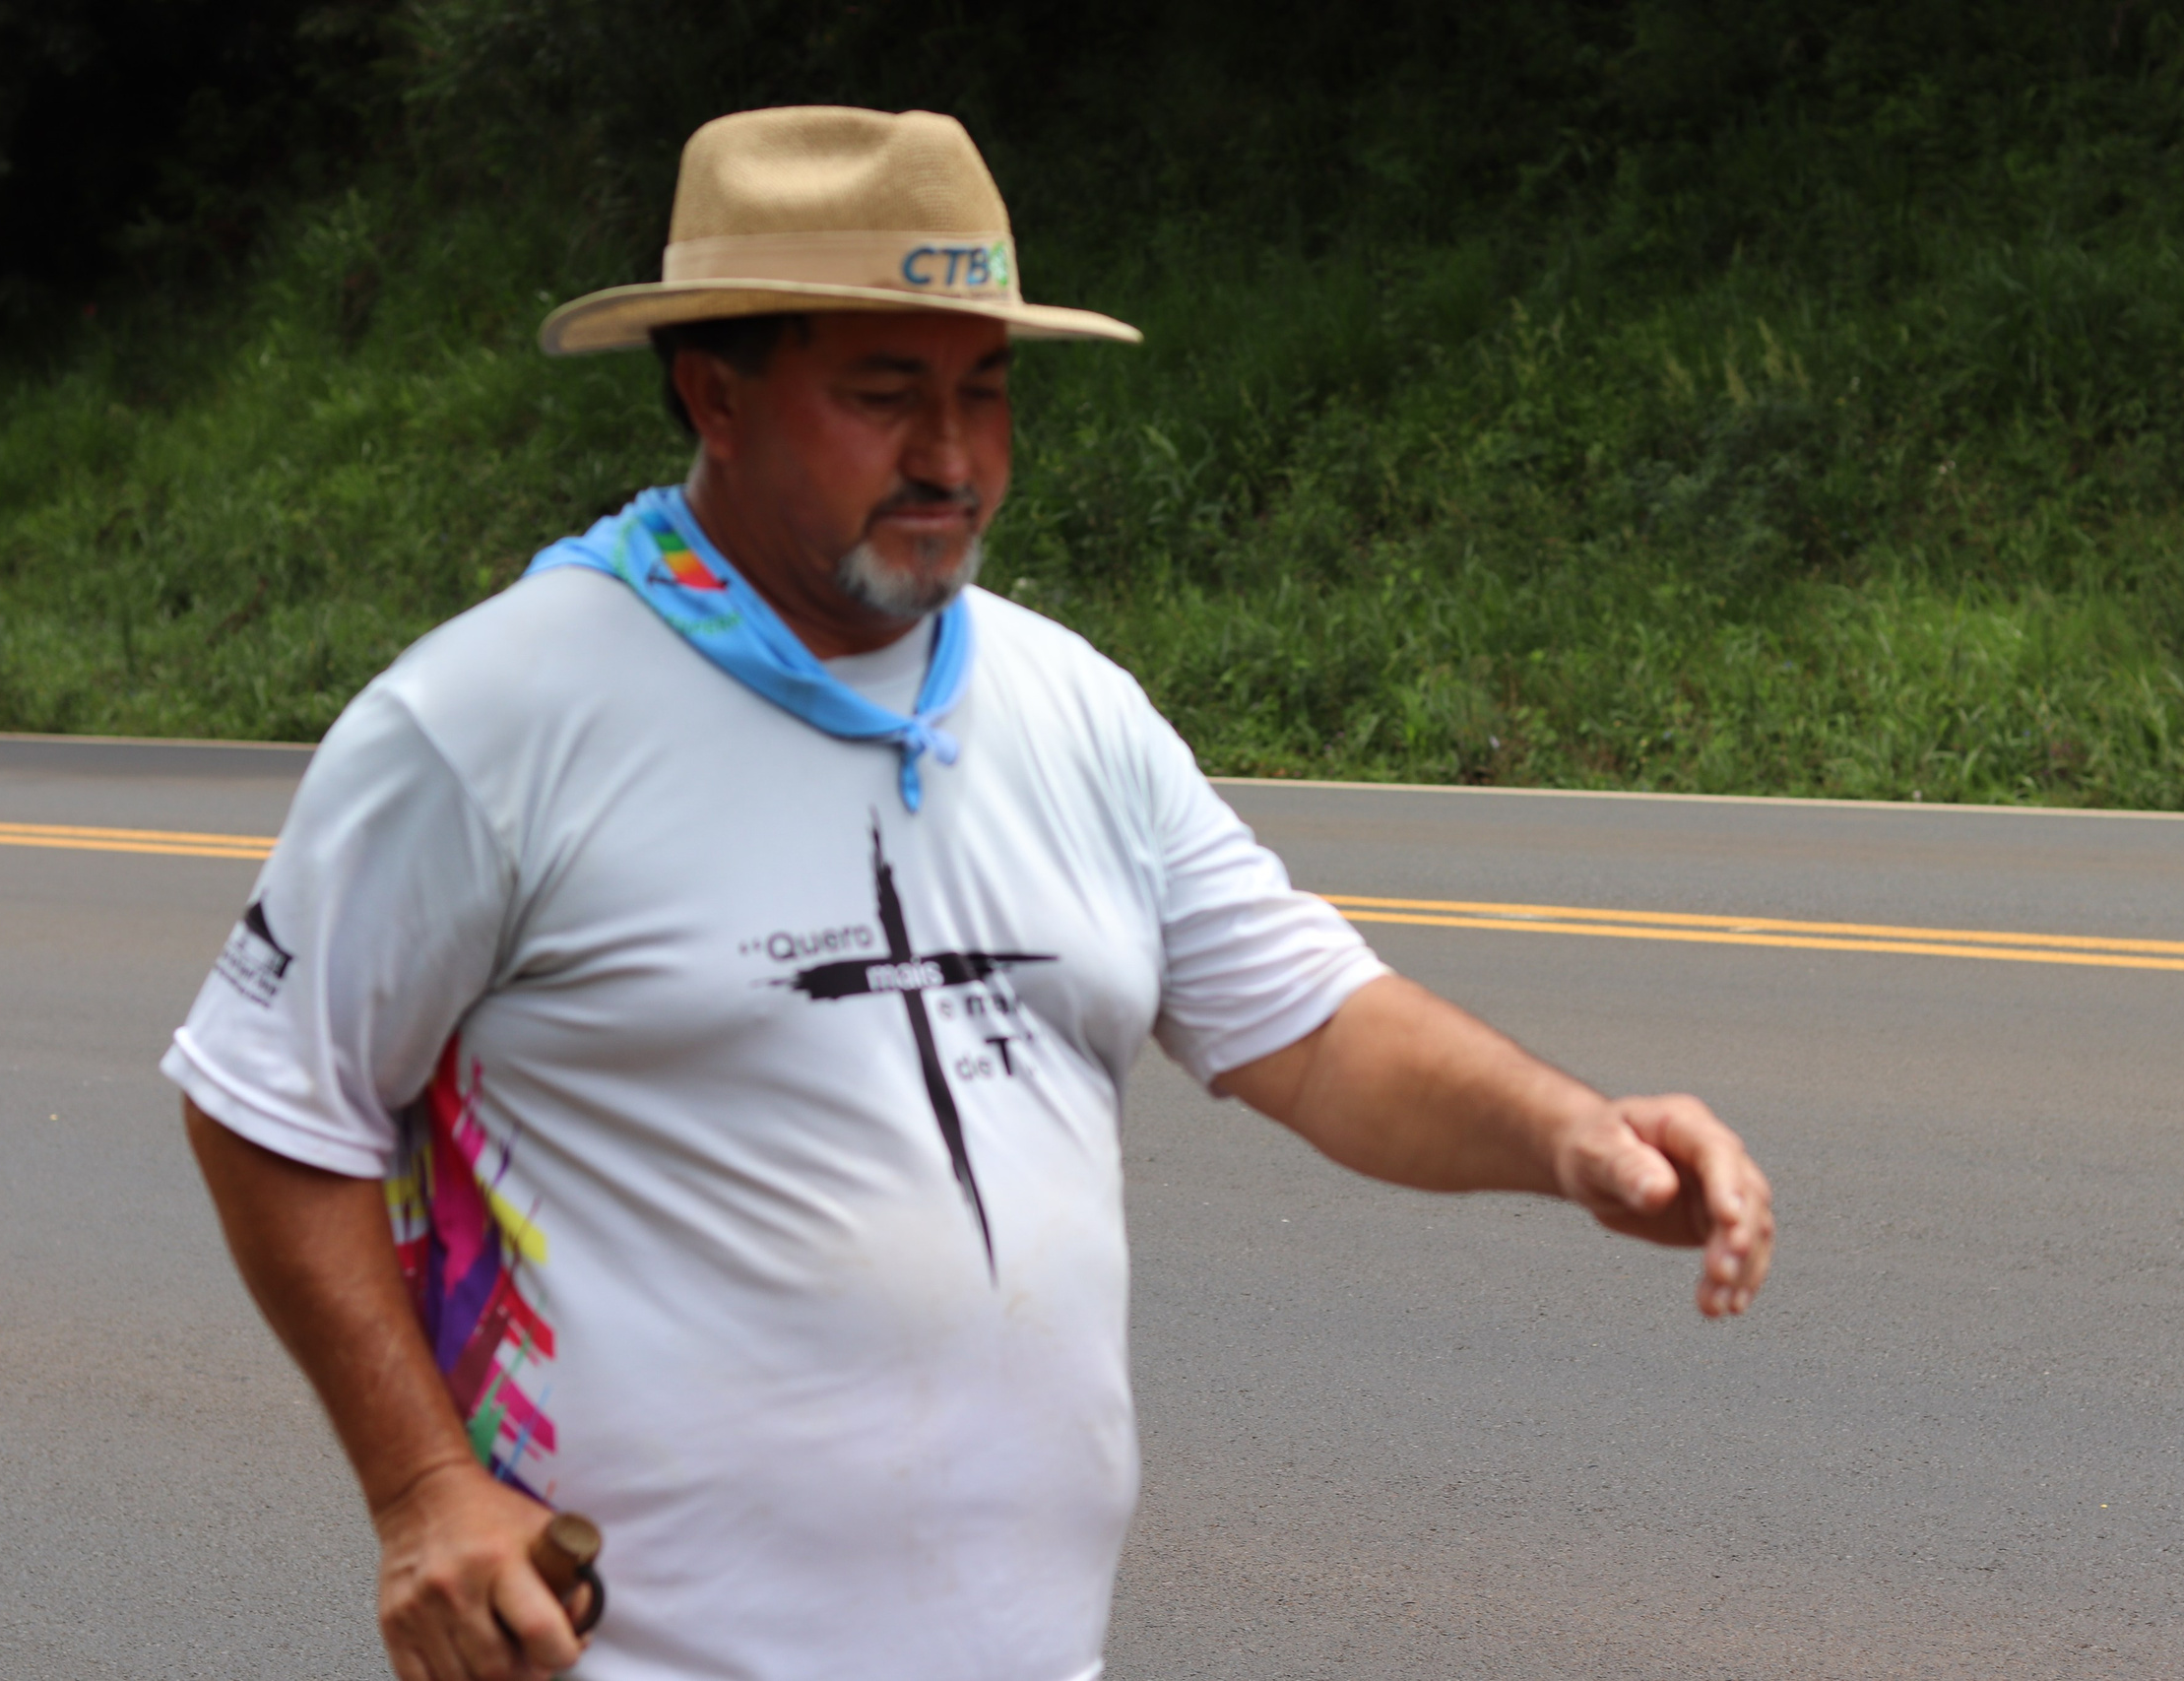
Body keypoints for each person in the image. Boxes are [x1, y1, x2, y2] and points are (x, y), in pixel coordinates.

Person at [166, 105, 1774, 1681]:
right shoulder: (492, 720)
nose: (952, 455)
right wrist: (423, 1491)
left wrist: (1572, 1137)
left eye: (985, 392)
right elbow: (267, 1101)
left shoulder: (1071, 708)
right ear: (711, 396)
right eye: (884, 396)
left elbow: (1317, 1031)